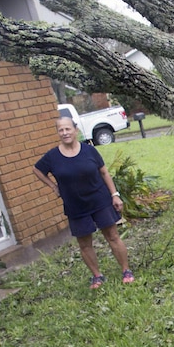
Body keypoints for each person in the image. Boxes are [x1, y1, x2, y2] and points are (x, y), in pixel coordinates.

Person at [33, 116, 134, 289]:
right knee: (85, 244)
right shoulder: (52, 156)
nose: (65, 133)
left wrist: (114, 195)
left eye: (67, 129)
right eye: (61, 130)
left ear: (75, 130)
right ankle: (97, 276)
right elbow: (37, 170)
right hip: (75, 205)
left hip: (99, 200)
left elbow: (104, 173)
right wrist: (53, 187)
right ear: (58, 132)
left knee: (113, 236)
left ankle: (126, 271)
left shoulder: (89, 150)